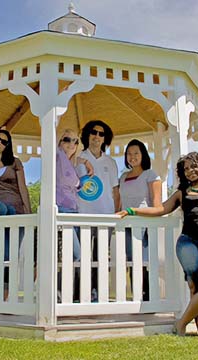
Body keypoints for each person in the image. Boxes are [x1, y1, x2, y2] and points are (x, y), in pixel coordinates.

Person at [118, 152, 198, 339]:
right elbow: (161, 209)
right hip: (188, 242)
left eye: (194, 166)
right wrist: (133, 210)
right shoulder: (182, 193)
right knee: (195, 288)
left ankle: (181, 322)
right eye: (186, 169)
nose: (190, 171)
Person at [0, 129, 32, 299]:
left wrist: (28, 212)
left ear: (7, 146)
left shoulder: (14, 163)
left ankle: (5, 296)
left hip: (16, 212)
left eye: (4, 142)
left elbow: (23, 188)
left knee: (10, 255)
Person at [77, 120, 120, 302]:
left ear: (105, 139)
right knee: (81, 257)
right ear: (87, 135)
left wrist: (116, 214)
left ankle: (98, 292)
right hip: (81, 216)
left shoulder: (110, 162)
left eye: (101, 134)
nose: (97, 136)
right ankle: (79, 292)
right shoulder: (77, 157)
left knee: (101, 257)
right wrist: (82, 160)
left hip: (106, 216)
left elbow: (116, 191)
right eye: (94, 132)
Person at [118, 139, 162, 300]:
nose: (132, 157)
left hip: (144, 224)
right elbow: (119, 202)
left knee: (143, 262)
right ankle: (136, 297)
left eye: (136, 153)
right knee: (131, 260)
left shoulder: (151, 175)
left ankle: (147, 298)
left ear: (143, 155)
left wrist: (135, 212)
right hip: (126, 224)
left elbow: (157, 205)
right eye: (129, 154)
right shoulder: (123, 177)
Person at [56, 129, 93, 261]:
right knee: (77, 255)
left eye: (75, 141)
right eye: (66, 139)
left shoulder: (69, 164)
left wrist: (84, 162)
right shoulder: (57, 156)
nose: (71, 143)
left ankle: (69, 282)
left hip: (74, 210)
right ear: (59, 142)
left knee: (70, 257)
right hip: (62, 211)